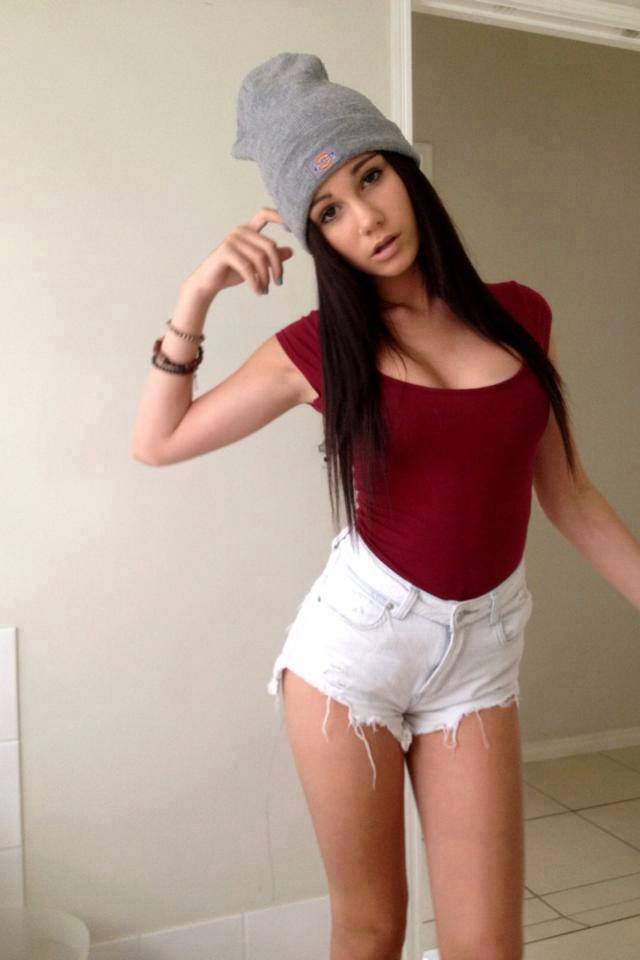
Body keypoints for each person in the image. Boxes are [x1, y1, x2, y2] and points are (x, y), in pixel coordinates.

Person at [131, 52, 640, 960]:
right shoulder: (318, 348)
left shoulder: (522, 315)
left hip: (479, 656)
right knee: (371, 931)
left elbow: (569, 495)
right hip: (354, 657)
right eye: (327, 210)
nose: (364, 218)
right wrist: (194, 296)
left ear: (404, 169)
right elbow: (158, 441)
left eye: (370, 177)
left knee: (490, 945)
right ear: (314, 235)